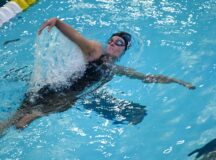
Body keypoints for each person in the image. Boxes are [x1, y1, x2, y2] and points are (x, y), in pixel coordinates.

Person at [0, 18, 195, 134]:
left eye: (119, 43)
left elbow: (147, 77)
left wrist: (178, 81)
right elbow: (77, 38)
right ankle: (31, 116)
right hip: (56, 95)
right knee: (18, 120)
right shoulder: (95, 51)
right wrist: (58, 23)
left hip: (58, 96)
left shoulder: (115, 69)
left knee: (14, 122)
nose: (113, 43)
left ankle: (29, 117)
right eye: (112, 40)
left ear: (124, 50)